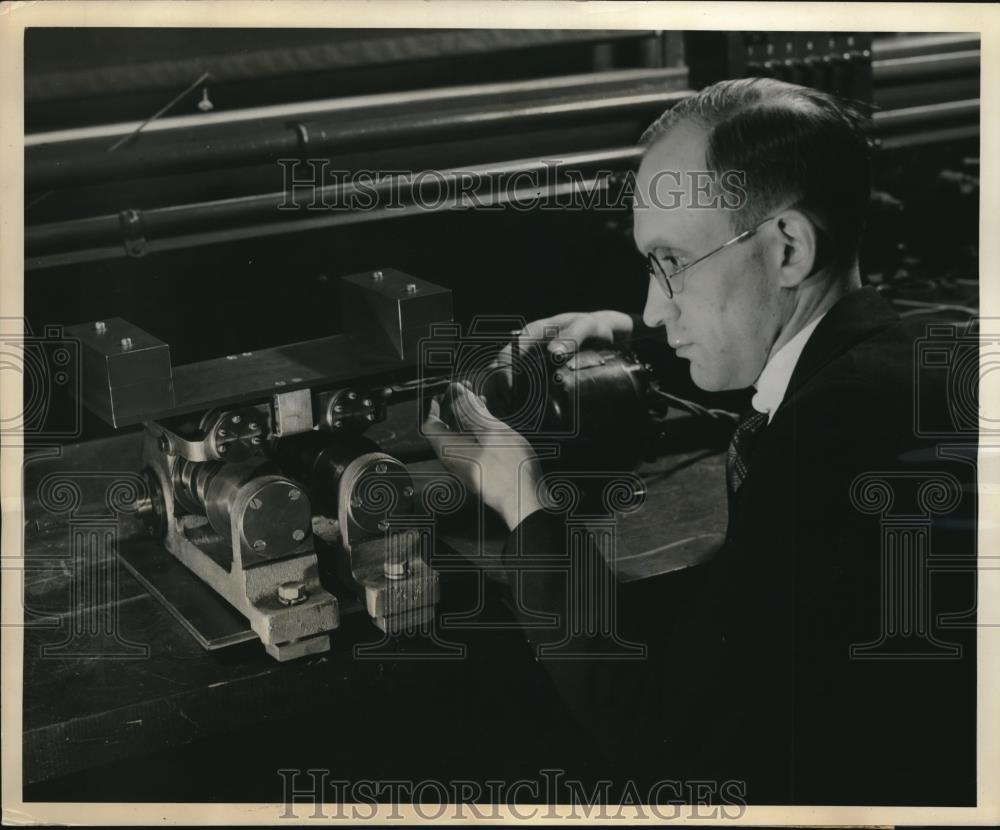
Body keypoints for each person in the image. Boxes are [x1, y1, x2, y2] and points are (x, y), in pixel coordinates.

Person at [423, 78, 976, 805]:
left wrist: (520, 496)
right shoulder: (913, 356)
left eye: (671, 262)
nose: (654, 303)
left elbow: (662, 743)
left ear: (787, 249)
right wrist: (640, 335)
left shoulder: (826, 446)